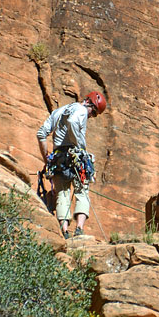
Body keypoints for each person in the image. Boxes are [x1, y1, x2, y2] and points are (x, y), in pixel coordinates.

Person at [37, 91, 107, 238]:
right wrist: (78, 145)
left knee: (62, 193)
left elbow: (41, 134)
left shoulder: (59, 111)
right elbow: (73, 121)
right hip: (76, 157)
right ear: (90, 103)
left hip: (58, 159)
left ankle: (64, 230)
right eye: (93, 113)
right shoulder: (81, 110)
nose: (91, 116)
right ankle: (79, 229)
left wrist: (46, 159)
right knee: (82, 191)